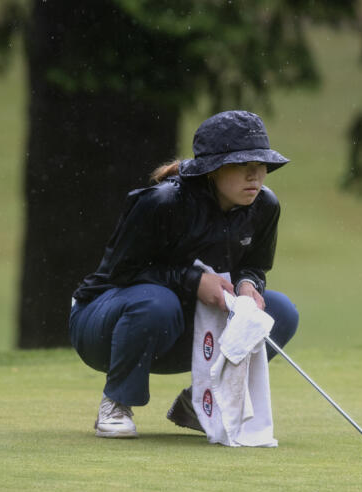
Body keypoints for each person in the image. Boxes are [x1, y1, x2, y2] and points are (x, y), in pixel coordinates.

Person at [69, 110, 299, 438]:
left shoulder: (265, 206)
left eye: (260, 164)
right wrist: (192, 280)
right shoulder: (163, 202)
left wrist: (248, 284)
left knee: (277, 313)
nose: (255, 175)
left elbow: (254, 265)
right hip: (102, 325)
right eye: (241, 165)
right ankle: (116, 402)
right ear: (212, 170)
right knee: (157, 303)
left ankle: (202, 403)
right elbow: (122, 272)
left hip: (185, 333)